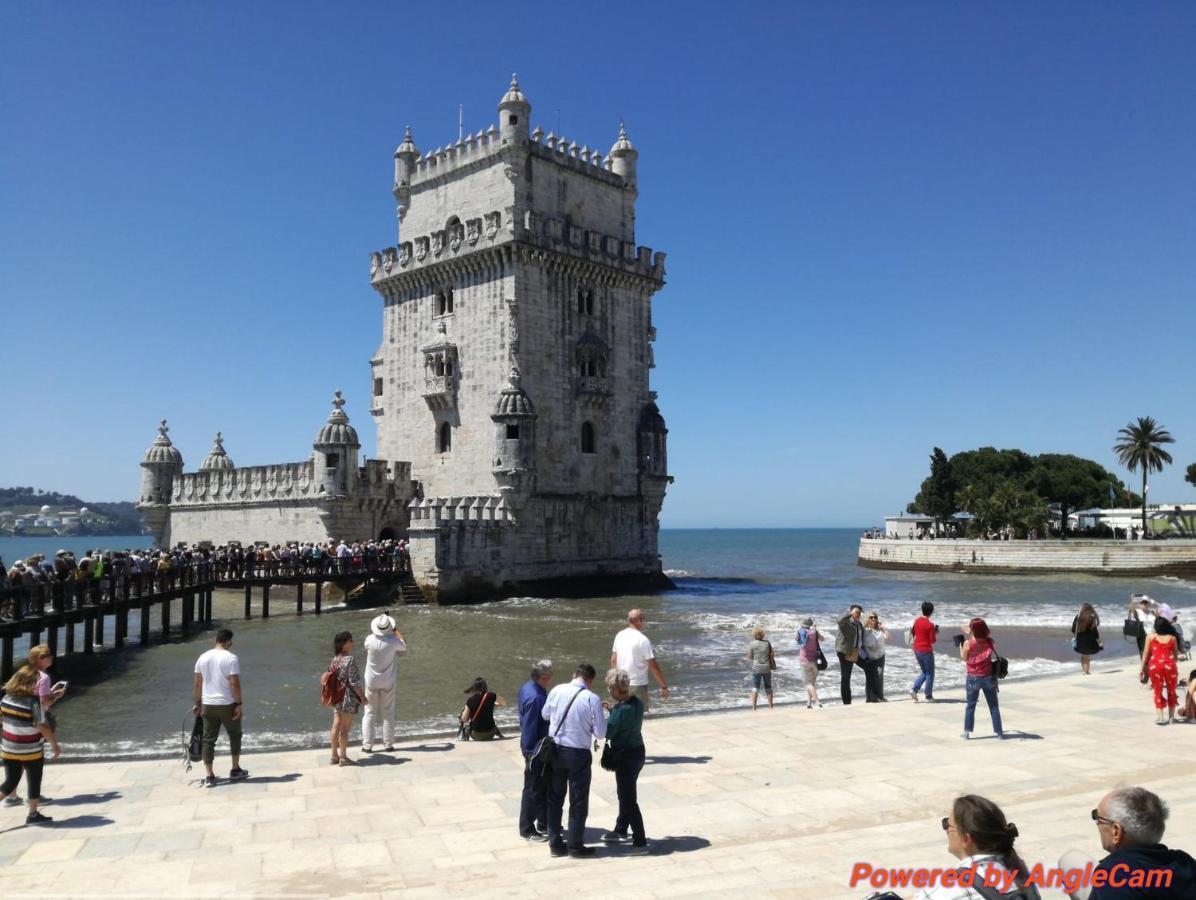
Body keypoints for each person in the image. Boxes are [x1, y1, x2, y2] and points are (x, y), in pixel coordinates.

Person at [911, 795, 1039, 899]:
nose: (946, 830)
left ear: (966, 839)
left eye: (947, 825)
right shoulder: (1021, 873)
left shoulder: (950, 887)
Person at [541, 663, 606, 858]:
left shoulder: (556, 690)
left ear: (574, 675)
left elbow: (545, 715)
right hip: (578, 753)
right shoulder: (591, 698)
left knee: (554, 798)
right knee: (578, 801)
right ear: (590, 680)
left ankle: (555, 844)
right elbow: (600, 733)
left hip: (555, 750)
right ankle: (575, 846)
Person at [1089, 786, 1196, 899]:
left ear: (1116, 831)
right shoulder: (1184, 862)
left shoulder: (1112, 876)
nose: (1097, 823)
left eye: (1099, 818)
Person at [0, 662, 61, 825]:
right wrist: (54, 745)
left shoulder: (5, 698)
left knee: (9, 783)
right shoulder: (33, 702)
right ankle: (33, 815)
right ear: (29, 682)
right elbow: (44, 727)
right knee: (34, 779)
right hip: (30, 750)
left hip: (8, 748)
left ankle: (30, 813)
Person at [600, 668, 649, 855]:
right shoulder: (636, 703)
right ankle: (621, 828)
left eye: (610, 689)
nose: (609, 692)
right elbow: (626, 718)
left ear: (616, 689)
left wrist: (605, 715)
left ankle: (640, 841)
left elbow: (607, 732)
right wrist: (612, 710)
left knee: (628, 799)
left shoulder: (620, 711)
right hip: (638, 752)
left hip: (625, 756)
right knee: (625, 793)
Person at [193, 628, 248, 787]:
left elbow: (197, 683)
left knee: (208, 740)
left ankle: (209, 776)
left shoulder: (202, 657)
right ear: (228, 641)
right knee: (235, 735)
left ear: (216, 640)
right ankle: (235, 769)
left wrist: (197, 703)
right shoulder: (231, 658)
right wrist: (238, 703)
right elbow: (234, 683)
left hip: (208, 705)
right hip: (227, 704)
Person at [517, 659, 554, 842]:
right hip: (536, 749)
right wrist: (531, 753)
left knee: (542, 785)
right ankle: (527, 828)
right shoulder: (536, 698)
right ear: (544, 677)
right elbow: (531, 726)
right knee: (532, 788)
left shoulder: (527, 688)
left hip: (535, 745)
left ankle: (543, 821)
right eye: (550, 674)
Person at [361, 612, 407, 752]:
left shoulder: (369, 640)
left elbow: (369, 642)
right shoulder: (394, 642)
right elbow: (404, 645)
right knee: (388, 713)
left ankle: (367, 746)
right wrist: (395, 630)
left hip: (372, 681)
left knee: (369, 713)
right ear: (390, 628)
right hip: (387, 682)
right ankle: (388, 744)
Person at [610, 609, 669, 712]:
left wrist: (613, 681)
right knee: (638, 717)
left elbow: (614, 660)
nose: (645, 621)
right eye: (643, 619)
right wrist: (663, 686)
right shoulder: (643, 640)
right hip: (637, 684)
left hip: (621, 683)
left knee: (622, 714)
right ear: (639, 621)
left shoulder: (619, 635)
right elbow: (653, 666)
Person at [959, 618, 1003, 740]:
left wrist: (960, 646)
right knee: (993, 706)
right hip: (988, 677)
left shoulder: (968, 643)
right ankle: (999, 733)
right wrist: (972, 630)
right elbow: (971, 631)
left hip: (973, 677)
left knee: (970, 706)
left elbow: (964, 658)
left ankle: (967, 732)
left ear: (973, 630)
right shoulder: (990, 641)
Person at [328, 631, 367, 765]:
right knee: (345, 728)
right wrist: (362, 696)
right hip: (348, 697)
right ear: (345, 644)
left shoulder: (335, 659)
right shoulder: (349, 659)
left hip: (337, 696)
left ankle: (334, 756)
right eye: (351, 640)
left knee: (335, 726)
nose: (353, 643)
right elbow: (354, 682)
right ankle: (343, 758)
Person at [1140, 617, 1180, 726]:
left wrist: (1141, 668)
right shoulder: (1172, 638)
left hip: (1155, 666)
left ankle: (1160, 717)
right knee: (1171, 691)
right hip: (1169, 665)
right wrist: (1171, 664)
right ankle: (1172, 718)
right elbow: (1176, 655)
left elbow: (1146, 653)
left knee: (1157, 690)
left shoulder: (1150, 637)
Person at [835, 604, 865, 705]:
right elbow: (839, 620)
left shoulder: (859, 624)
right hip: (845, 651)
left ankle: (872, 695)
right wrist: (850, 614)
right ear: (851, 611)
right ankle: (847, 702)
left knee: (869, 667)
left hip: (856, 652)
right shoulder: (846, 621)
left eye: (859, 613)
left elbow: (860, 638)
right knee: (846, 676)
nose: (858, 614)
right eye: (856, 612)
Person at [459, 677, 506, 741]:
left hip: (476, 735)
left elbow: (464, 719)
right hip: (491, 734)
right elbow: (503, 703)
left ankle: (464, 737)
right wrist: (493, 704)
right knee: (490, 721)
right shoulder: (492, 695)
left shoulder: (470, 700)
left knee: (462, 714)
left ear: (474, 687)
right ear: (485, 686)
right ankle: (499, 734)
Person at [910, 601, 939, 702]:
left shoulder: (917, 620)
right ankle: (928, 696)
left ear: (922, 610)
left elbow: (913, 632)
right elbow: (932, 641)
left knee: (925, 671)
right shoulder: (930, 625)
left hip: (916, 649)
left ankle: (914, 690)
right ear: (931, 611)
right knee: (930, 673)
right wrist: (935, 632)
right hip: (926, 650)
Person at [861, 612, 889, 702]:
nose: (873, 619)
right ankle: (870, 698)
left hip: (880, 657)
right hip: (870, 658)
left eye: (875, 617)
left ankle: (880, 696)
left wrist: (883, 628)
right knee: (870, 678)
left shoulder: (879, 631)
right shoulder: (865, 631)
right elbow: (860, 644)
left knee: (879, 677)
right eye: (871, 617)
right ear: (868, 619)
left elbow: (888, 637)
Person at [796, 617, 824, 709]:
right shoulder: (814, 632)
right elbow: (823, 639)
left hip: (804, 661)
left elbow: (796, 639)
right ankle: (808, 703)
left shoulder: (800, 632)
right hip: (815, 661)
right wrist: (815, 629)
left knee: (808, 684)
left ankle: (817, 701)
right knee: (811, 683)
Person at [745, 626, 774, 710]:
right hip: (767, 667)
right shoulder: (767, 643)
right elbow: (772, 654)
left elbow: (750, 657)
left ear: (754, 635)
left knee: (755, 687)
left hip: (756, 667)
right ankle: (770, 707)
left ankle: (754, 707)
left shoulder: (752, 644)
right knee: (768, 687)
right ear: (762, 635)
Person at [1072, 603, 1103, 675]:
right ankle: (1085, 671)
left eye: (1088, 612)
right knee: (1084, 655)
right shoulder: (1078, 618)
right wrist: (1076, 635)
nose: (1087, 613)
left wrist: (1099, 641)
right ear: (1082, 611)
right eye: (1085, 611)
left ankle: (1086, 671)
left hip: (1089, 640)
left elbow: (1095, 631)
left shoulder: (1092, 618)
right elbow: (1073, 629)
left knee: (1086, 655)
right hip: (1081, 639)